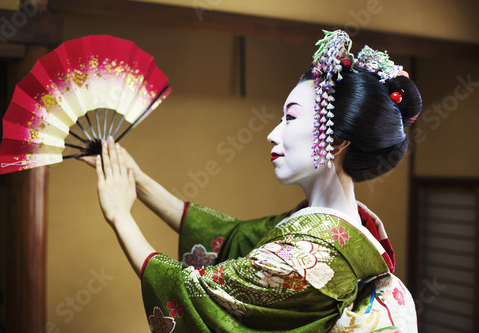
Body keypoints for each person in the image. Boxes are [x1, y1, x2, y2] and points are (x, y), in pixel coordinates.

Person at [81, 30, 421, 332]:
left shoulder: (308, 258)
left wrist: (119, 217)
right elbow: (231, 238)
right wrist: (137, 181)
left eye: (290, 117)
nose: (273, 134)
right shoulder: (335, 228)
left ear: (336, 140)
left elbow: (196, 292)